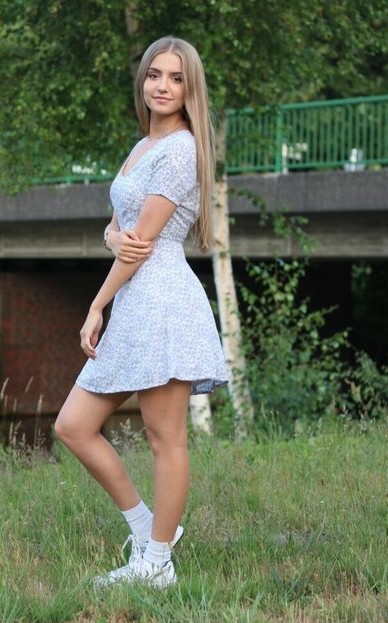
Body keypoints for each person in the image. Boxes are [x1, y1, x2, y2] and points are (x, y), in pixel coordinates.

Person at [55, 35, 228, 588]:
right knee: (73, 426)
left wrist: (96, 305)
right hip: (136, 299)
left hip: (163, 300)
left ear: (190, 89)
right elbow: (118, 230)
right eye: (155, 74)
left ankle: (157, 565)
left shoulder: (180, 150)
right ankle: (148, 531)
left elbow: (142, 244)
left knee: (163, 437)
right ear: (143, 80)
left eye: (176, 78)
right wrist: (112, 238)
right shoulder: (140, 147)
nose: (163, 86)